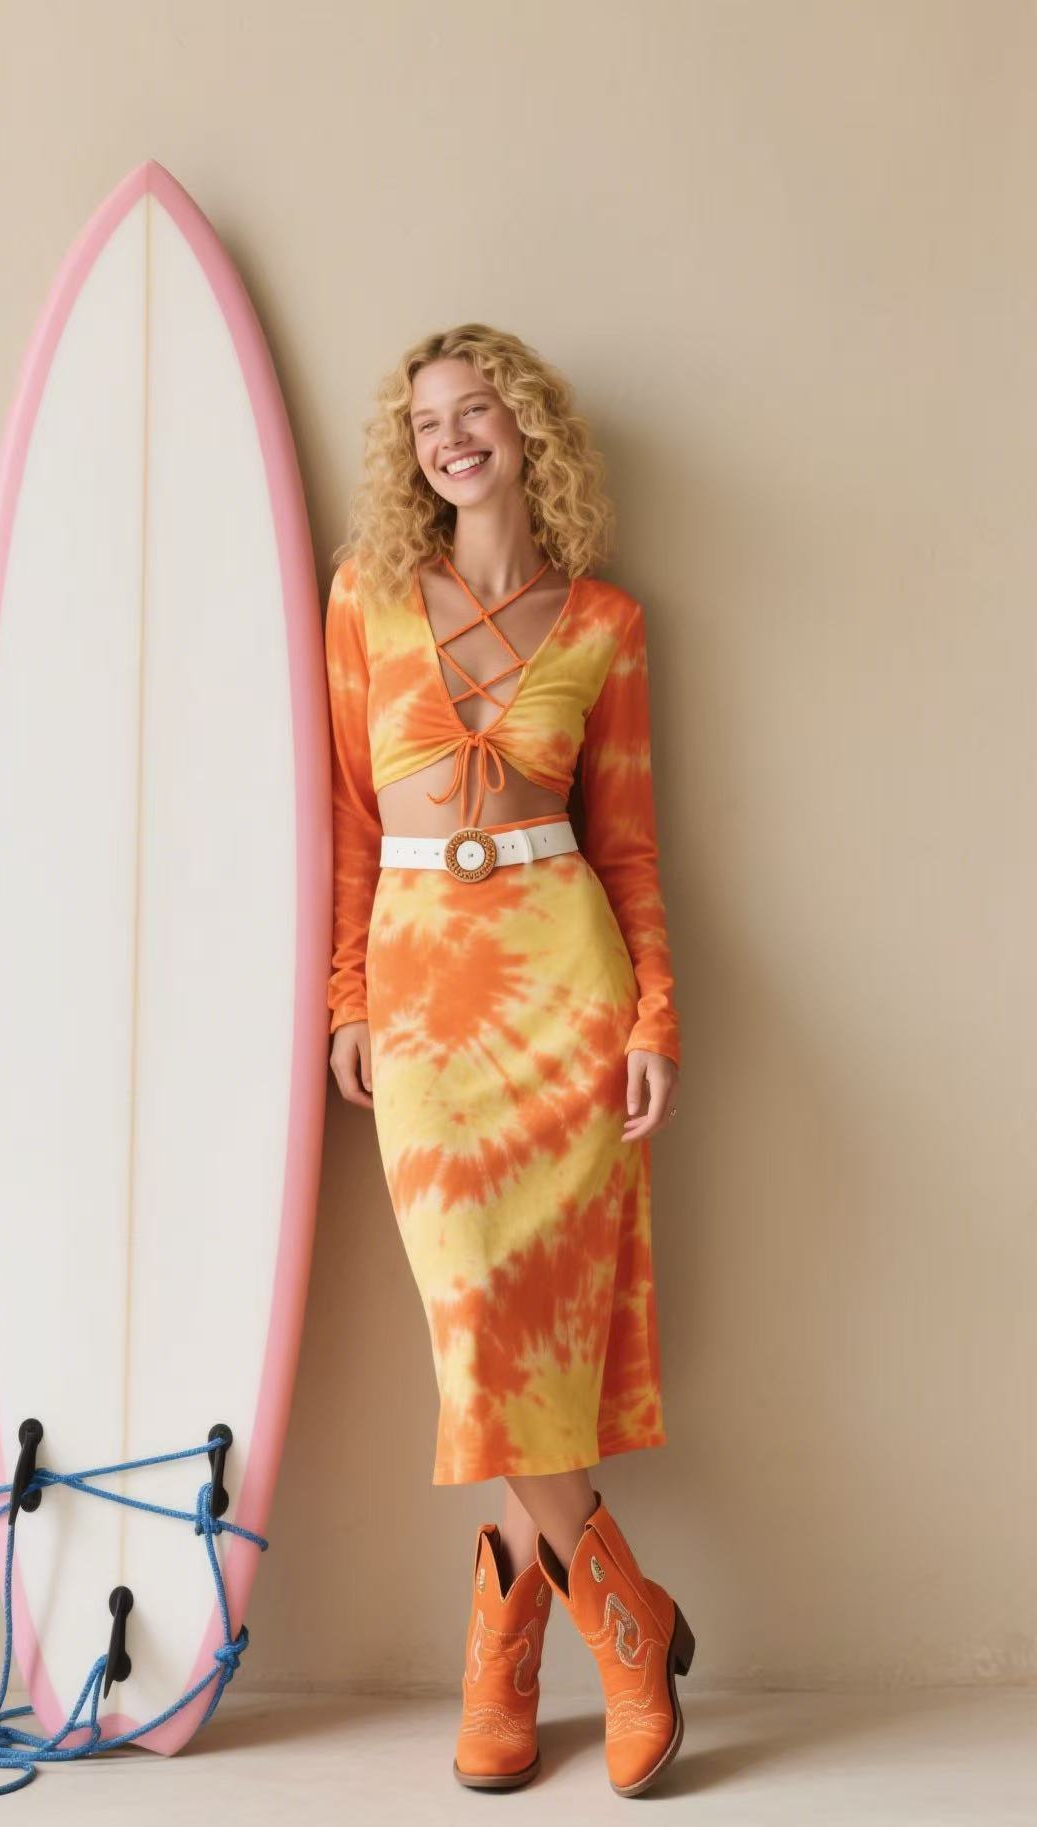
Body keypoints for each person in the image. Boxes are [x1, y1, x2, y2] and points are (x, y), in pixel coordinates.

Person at [323, 323, 694, 1797]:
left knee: (543, 1332)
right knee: (474, 1314)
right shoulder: (365, 597)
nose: (452, 437)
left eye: (477, 410)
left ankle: (505, 1640)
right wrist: (346, 996)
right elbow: (351, 824)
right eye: (427, 422)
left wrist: (655, 1015)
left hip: (565, 984)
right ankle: (628, 1621)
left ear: (527, 428)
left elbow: (631, 843)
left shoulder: (606, 620)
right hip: (421, 996)